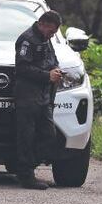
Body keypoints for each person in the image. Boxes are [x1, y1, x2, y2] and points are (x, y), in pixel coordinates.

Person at [13, 10, 63, 190]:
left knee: (49, 136)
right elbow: (22, 68)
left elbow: (52, 60)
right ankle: (26, 175)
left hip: (43, 96)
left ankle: (24, 166)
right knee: (26, 136)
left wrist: (57, 70)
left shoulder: (45, 39)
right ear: (42, 24)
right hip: (27, 95)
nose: (51, 36)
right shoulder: (28, 39)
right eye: (50, 31)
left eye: (54, 33)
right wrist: (46, 76)